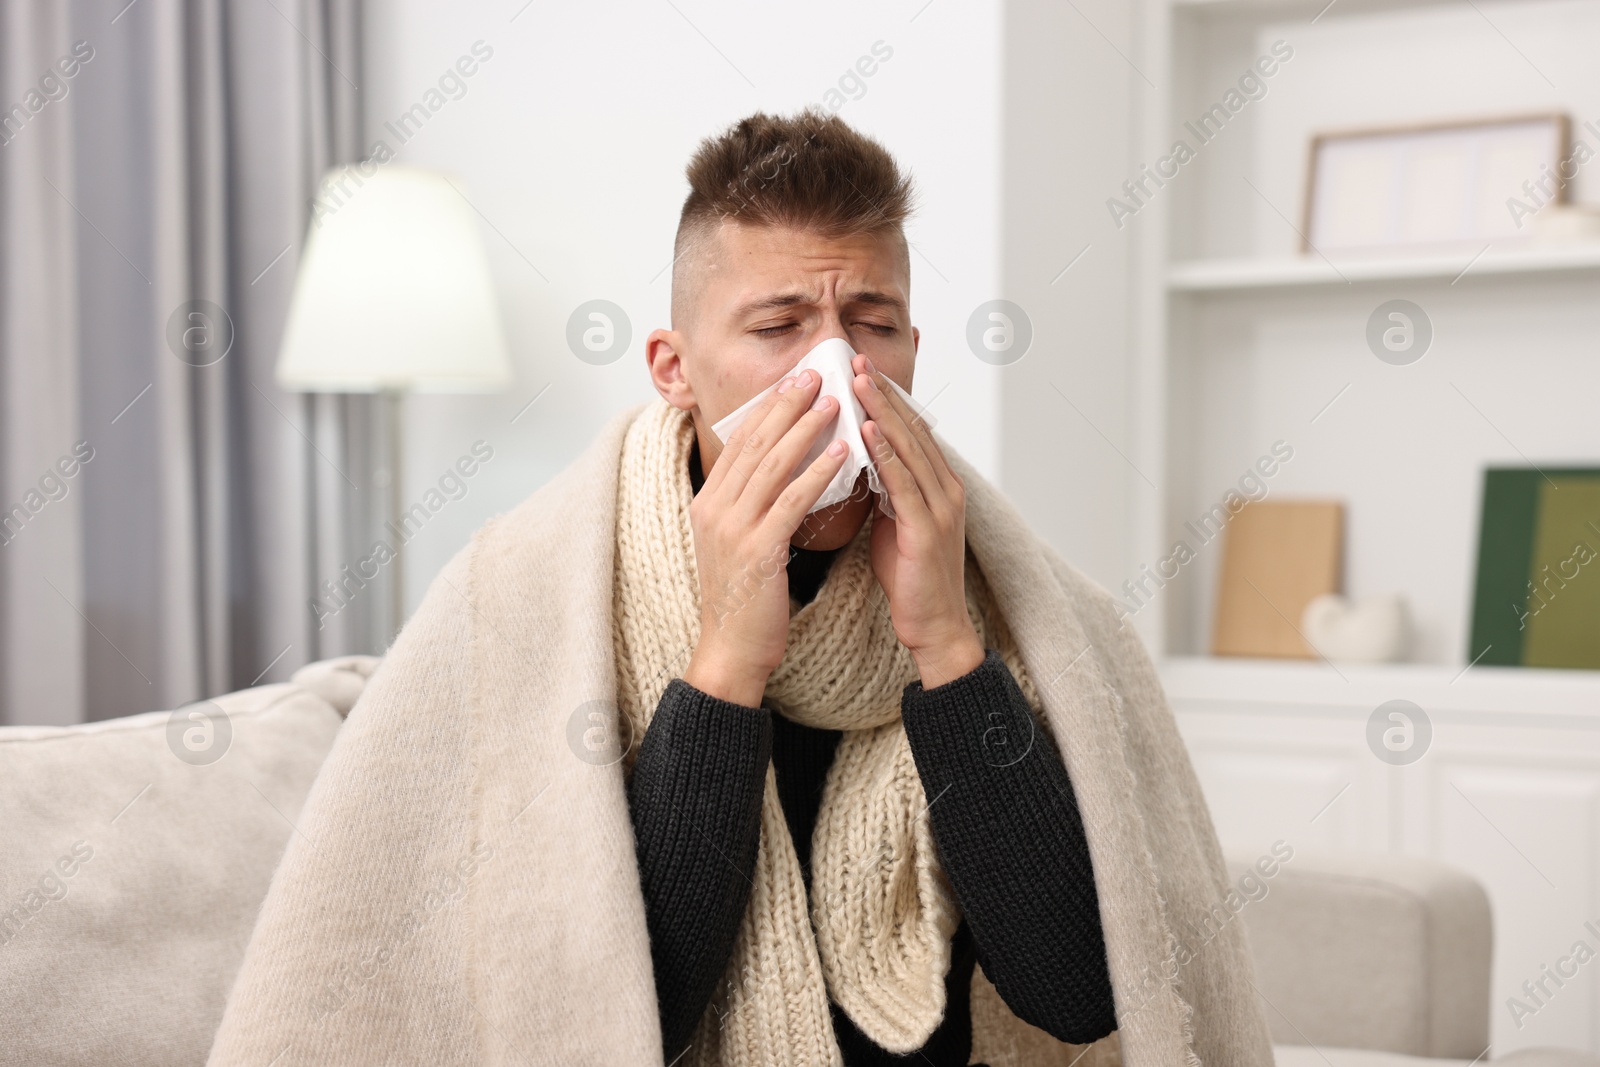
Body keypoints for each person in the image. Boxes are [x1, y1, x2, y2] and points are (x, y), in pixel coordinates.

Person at [207, 109, 1275, 1067]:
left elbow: (1081, 997)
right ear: (673, 367)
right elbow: (607, 1024)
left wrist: (944, 641)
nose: (835, 374)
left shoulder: (1031, 607)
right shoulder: (527, 594)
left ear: (909, 347)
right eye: (776, 329)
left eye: (872, 322)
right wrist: (726, 663)